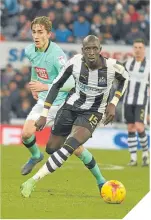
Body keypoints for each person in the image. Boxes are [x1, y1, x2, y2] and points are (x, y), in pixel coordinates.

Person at [20, 35, 129, 198]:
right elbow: (56, 85)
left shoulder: (113, 66)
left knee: (70, 145)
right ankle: (99, 178)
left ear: (100, 50)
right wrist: (44, 114)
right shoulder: (74, 63)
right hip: (70, 107)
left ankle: (33, 181)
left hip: (93, 112)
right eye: (87, 49)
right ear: (82, 50)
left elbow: (125, 78)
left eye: (94, 48)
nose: (91, 52)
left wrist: (113, 102)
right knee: (52, 148)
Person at [21, 17, 106, 190]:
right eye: (34, 32)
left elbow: (69, 83)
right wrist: (33, 85)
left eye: (40, 32)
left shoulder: (57, 56)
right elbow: (35, 66)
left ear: (48, 34)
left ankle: (100, 179)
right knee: (26, 134)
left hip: (62, 105)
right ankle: (36, 156)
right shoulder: (30, 50)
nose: (36, 36)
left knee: (76, 148)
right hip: (44, 103)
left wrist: (43, 86)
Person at [123, 39, 150, 166]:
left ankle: (145, 153)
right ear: (133, 49)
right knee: (130, 128)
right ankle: (133, 158)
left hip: (142, 101)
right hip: (128, 101)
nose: (138, 50)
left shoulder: (149, 66)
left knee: (139, 127)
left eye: (140, 47)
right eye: (135, 47)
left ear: (144, 49)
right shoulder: (128, 64)